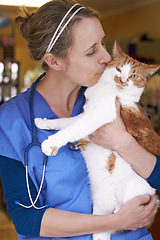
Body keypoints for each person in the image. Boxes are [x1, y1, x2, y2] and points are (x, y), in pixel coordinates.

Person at [0, 0, 159, 239]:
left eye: (103, 43)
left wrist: (122, 142)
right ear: (54, 61)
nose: (106, 57)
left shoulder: (114, 98)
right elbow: (26, 218)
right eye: (91, 51)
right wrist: (115, 221)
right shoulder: (11, 120)